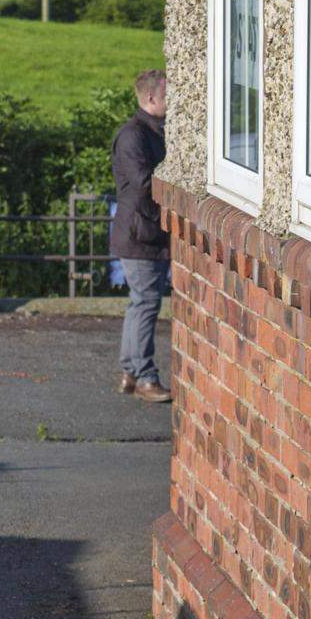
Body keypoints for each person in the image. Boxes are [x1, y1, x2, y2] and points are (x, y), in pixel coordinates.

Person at [109, 69, 172, 404]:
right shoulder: (134, 136)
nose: (172, 102)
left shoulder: (147, 132)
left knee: (140, 304)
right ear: (150, 98)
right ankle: (145, 377)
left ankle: (131, 373)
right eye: (167, 96)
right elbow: (143, 182)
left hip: (142, 232)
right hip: (140, 234)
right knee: (146, 304)